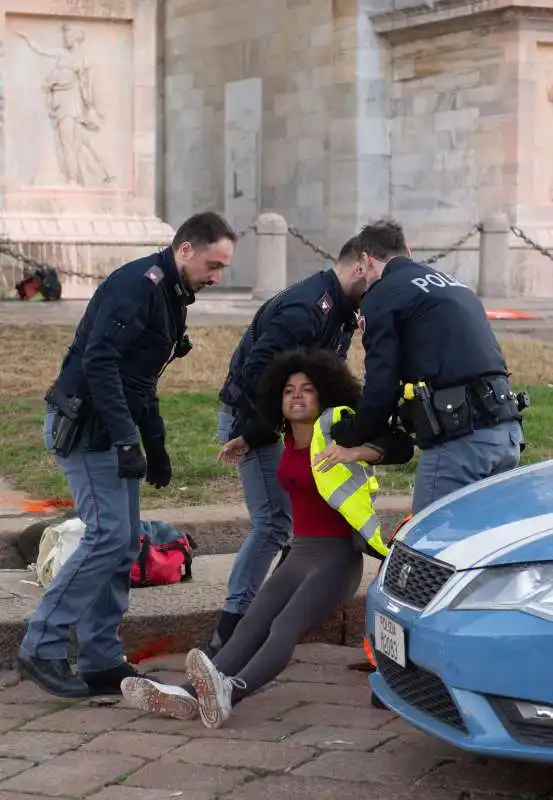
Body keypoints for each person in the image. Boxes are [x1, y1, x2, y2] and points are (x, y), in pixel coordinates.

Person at [120, 349, 413, 728]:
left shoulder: (340, 427)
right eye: (289, 389)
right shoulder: (286, 436)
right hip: (301, 554)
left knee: (284, 626)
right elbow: (267, 428)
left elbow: (401, 446)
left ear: (324, 394)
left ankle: (230, 690)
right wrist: (243, 439)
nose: (296, 396)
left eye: (307, 389)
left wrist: (356, 451)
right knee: (251, 622)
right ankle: (191, 695)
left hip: (336, 558)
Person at [17, 211, 237, 699]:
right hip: (86, 428)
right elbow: (99, 361)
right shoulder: (139, 285)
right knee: (108, 537)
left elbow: (142, 379)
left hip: (110, 429)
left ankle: (100, 660)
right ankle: (42, 646)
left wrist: (153, 446)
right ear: (185, 250)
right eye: (213, 264)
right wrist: (124, 439)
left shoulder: (171, 294)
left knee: (124, 541)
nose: (217, 277)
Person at [208, 237, 375, 655]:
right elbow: (256, 372)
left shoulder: (339, 309)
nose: (380, 285)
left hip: (286, 426)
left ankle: (267, 622)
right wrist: (259, 430)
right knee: (271, 524)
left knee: (290, 525)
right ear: (359, 267)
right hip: (255, 421)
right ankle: (232, 629)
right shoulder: (307, 308)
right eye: (376, 274)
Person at [322, 218, 525, 515]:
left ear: (365, 260)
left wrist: (350, 432)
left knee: (431, 549)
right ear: (407, 250)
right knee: (485, 547)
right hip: (506, 434)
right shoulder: (456, 285)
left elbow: (381, 384)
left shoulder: (382, 295)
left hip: (460, 444)